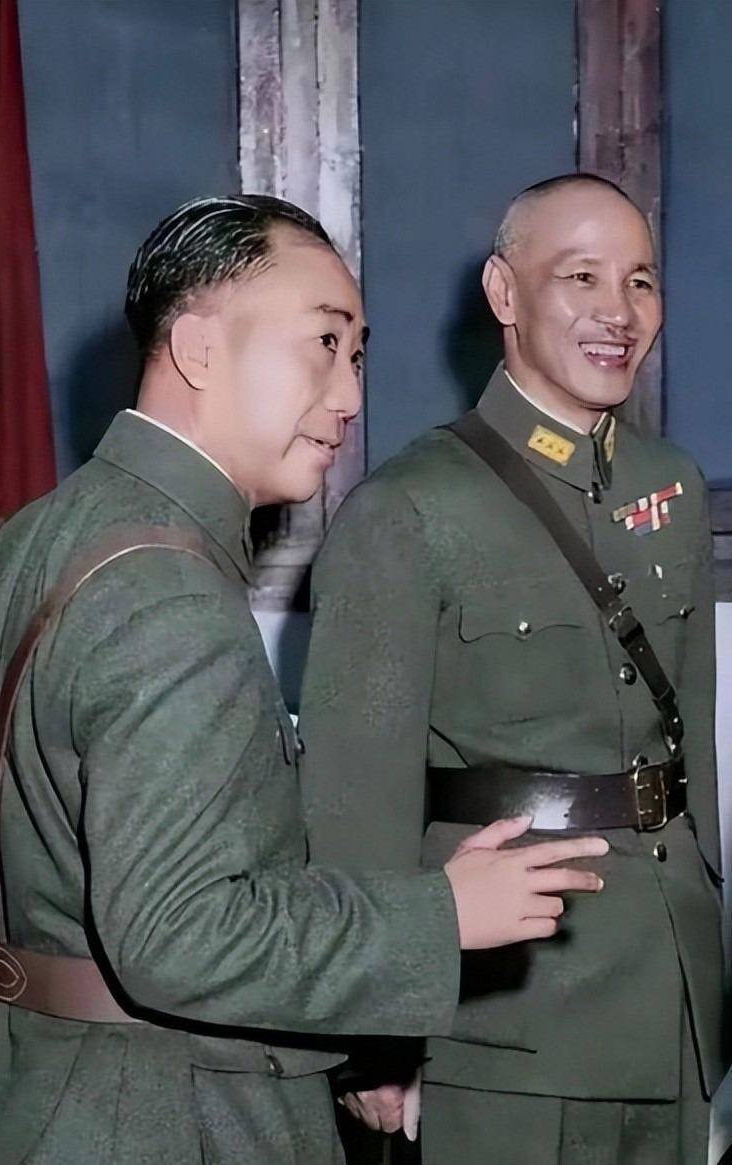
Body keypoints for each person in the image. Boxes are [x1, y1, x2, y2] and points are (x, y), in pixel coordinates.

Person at [0, 194, 607, 1165]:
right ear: (197, 349)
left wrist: (63, 929)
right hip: (162, 1117)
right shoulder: (169, 594)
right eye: (323, 342)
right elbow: (178, 935)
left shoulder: (23, 544)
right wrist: (441, 914)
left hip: (9, 1090)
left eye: (356, 356)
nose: (349, 394)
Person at [300, 174, 725, 1163]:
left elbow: (691, 747)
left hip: (669, 994)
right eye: (580, 278)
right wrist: (375, 1035)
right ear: (503, 292)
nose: (617, 312)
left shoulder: (668, 484)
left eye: (639, 281)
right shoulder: (408, 510)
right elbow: (354, 804)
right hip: (506, 1016)